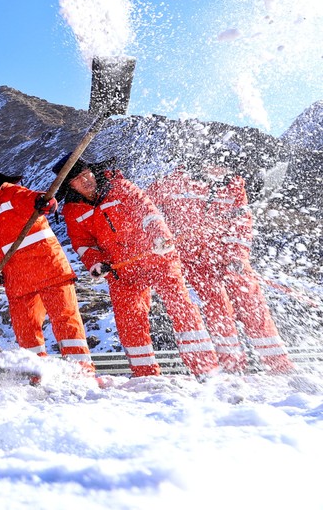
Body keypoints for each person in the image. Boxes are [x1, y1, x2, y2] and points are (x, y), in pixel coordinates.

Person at [52, 153, 219, 379]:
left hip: (157, 257)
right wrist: (96, 264)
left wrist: (160, 236)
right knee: (129, 322)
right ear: (70, 186)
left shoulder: (120, 187)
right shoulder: (72, 211)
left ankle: (206, 370)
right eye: (78, 179)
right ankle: (146, 376)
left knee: (181, 308)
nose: (86, 180)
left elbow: (149, 213)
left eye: (86, 173)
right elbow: (83, 244)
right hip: (121, 270)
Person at [0, 155, 95, 375]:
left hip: (48, 268)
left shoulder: (11, 193)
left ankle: (82, 373)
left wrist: (44, 202)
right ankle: (36, 375)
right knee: (25, 331)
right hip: (17, 280)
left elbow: (34, 199)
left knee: (66, 322)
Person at [147, 150, 294, 374]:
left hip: (225, 259)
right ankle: (232, 365)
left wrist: (237, 256)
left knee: (251, 301)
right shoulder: (174, 182)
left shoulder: (234, 185)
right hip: (190, 261)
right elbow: (146, 210)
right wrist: (157, 237)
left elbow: (241, 223)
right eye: (213, 166)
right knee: (218, 308)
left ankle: (279, 365)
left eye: (224, 167)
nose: (219, 171)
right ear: (201, 164)